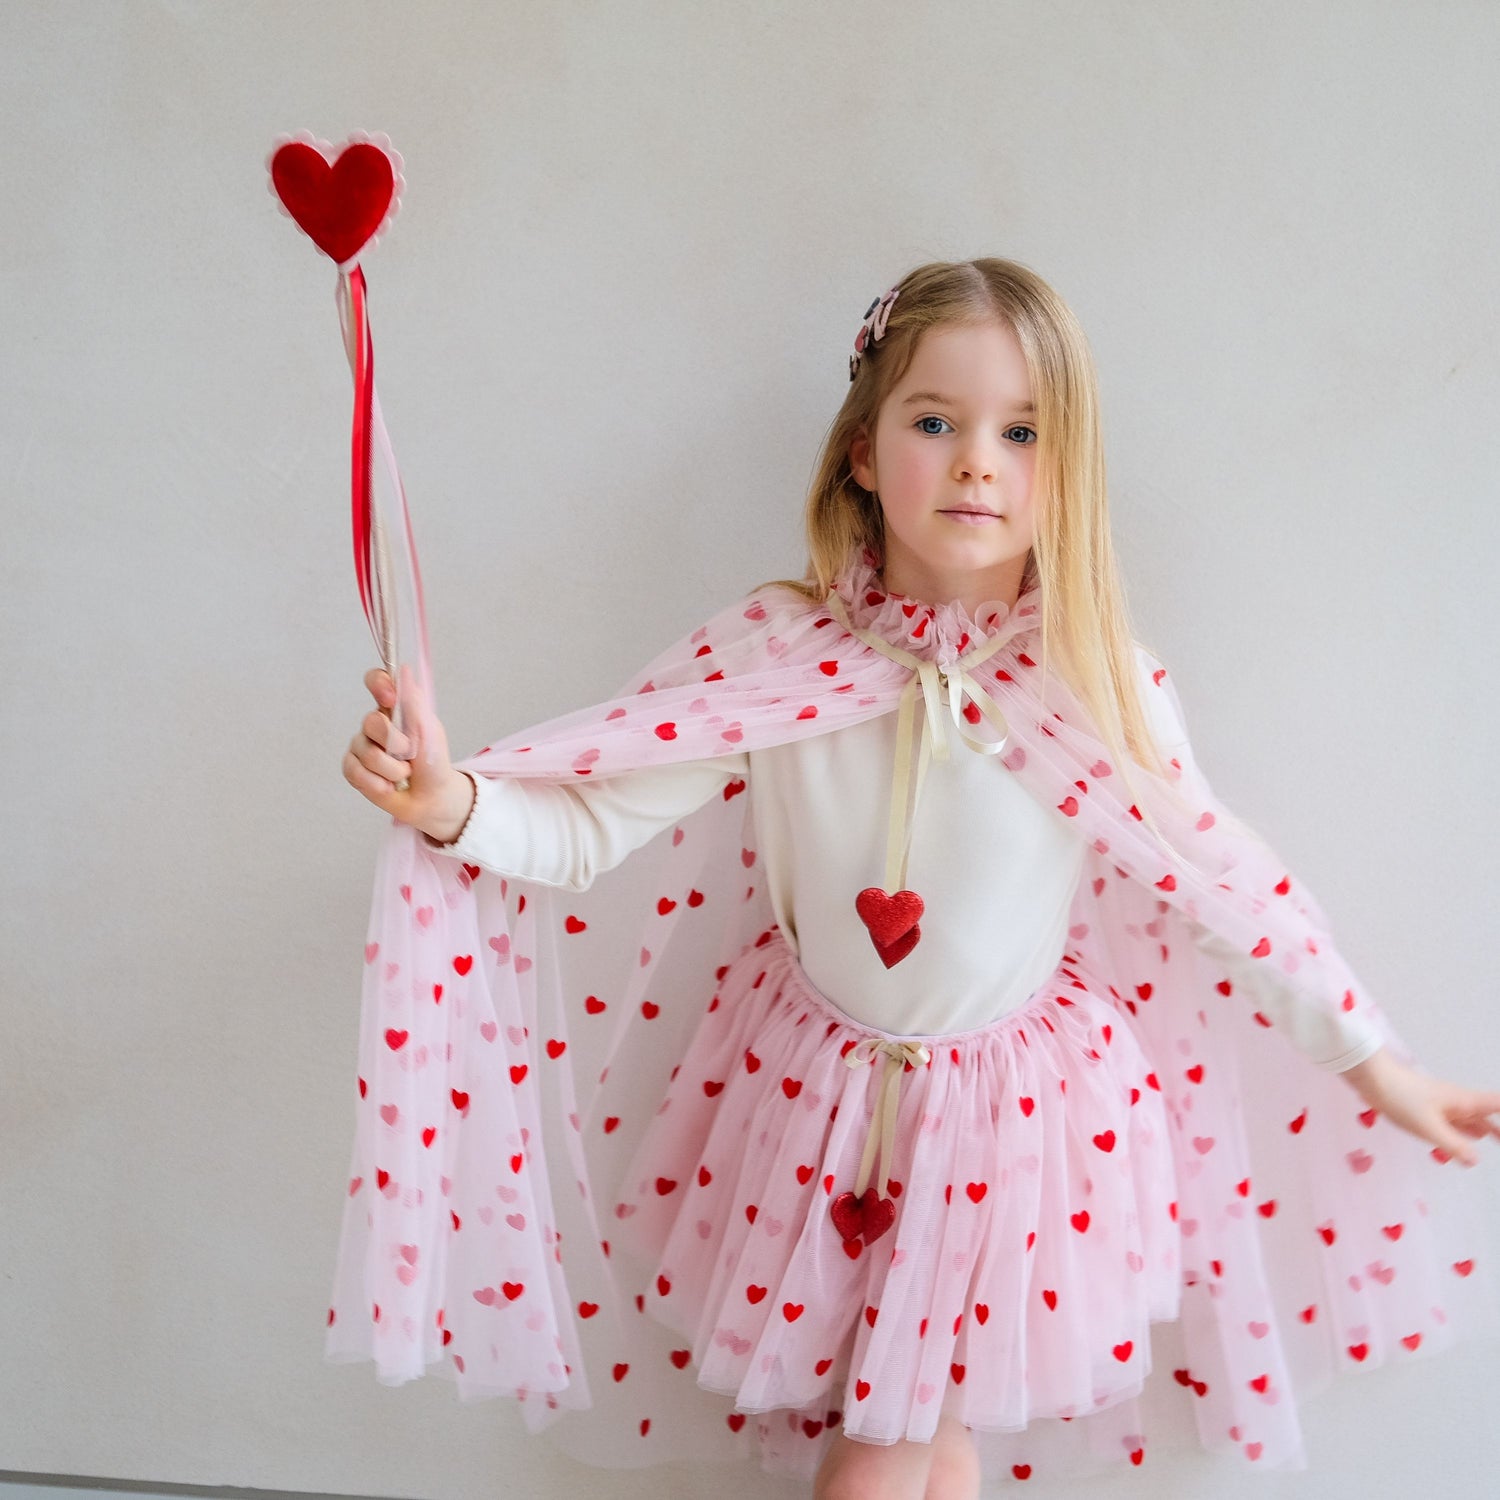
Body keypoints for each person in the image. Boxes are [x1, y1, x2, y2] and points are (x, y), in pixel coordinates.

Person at [334, 259, 1500, 1497]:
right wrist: (453, 806)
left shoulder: (1094, 683)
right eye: (936, 422)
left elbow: (1227, 890)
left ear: (1067, 470)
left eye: (1022, 433)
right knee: (929, 1444)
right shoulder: (779, 653)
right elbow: (585, 826)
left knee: (879, 1457)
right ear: (862, 451)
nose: (977, 464)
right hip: (813, 1111)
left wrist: (1377, 1065)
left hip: (1010, 1132)